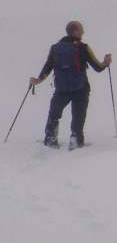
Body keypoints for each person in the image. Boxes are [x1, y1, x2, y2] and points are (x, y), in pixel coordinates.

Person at [29, 21, 111, 149]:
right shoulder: (83, 48)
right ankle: (76, 140)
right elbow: (98, 67)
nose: (83, 32)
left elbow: (48, 66)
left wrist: (38, 80)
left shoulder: (55, 48)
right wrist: (106, 62)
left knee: (54, 113)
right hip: (81, 88)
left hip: (61, 88)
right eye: (81, 30)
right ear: (75, 32)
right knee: (78, 115)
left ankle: (51, 138)